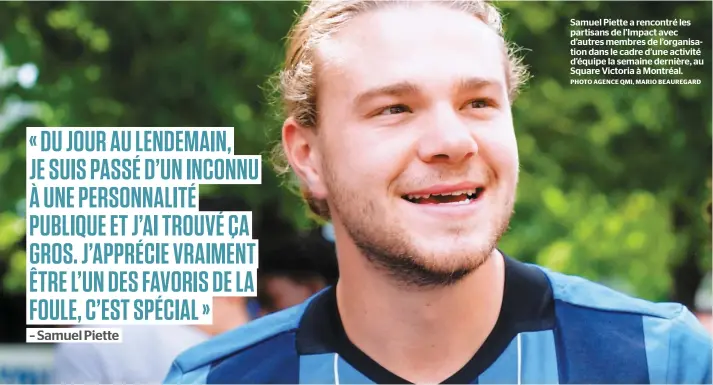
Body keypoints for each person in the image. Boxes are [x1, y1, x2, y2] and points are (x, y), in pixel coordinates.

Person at [165, 1, 713, 384]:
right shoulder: (216, 379)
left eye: (478, 103)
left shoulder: (662, 363)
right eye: (394, 109)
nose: (453, 141)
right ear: (308, 156)